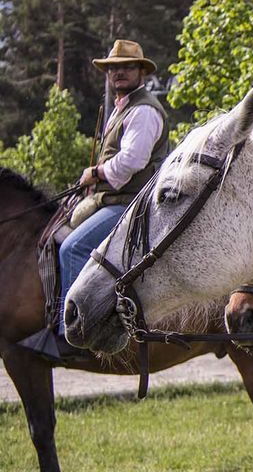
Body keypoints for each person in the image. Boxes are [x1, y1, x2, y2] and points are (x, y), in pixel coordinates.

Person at [57, 39, 168, 359]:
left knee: (73, 248)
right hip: (113, 198)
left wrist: (96, 172)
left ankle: (74, 334)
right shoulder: (123, 107)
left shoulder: (144, 110)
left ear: (140, 72)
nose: (119, 72)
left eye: (126, 67)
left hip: (129, 203)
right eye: (113, 68)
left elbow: (132, 161)